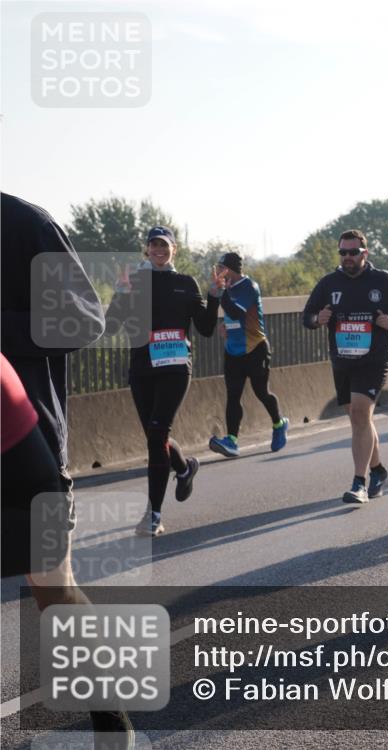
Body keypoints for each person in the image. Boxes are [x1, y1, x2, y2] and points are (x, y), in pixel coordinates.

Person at [1, 193, 134, 746]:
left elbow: (84, 319)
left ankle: (112, 721)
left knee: (52, 589)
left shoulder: (22, 222)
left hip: (26, 445)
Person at [105, 226, 222, 536]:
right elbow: (113, 325)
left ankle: (153, 515)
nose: (158, 250)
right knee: (155, 438)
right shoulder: (136, 282)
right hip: (142, 368)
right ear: (147, 250)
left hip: (175, 367)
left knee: (158, 434)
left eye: (164, 245)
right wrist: (120, 293)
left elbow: (207, 328)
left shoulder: (185, 283)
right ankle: (184, 468)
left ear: (174, 250)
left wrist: (214, 296)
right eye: (153, 245)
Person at [302, 229, 388, 504]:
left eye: (353, 252)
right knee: (358, 417)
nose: (347, 257)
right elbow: (306, 316)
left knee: (362, 412)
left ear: (365, 253)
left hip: (375, 359)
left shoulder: (383, 280)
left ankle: (359, 483)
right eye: (343, 252)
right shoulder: (329, 283)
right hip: (343, 359)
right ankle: (378, 471)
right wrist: (319, 318)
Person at [208, 251, 289, 457]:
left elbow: (236, 311)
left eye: (221, 268)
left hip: (255, 348)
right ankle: (232, 440)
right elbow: (231, 316)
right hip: (233, 350)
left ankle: (279, 424)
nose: (217, 271)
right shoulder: (228, 288)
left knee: (261, 391)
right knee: (233, 395)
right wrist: (226, 327)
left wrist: (223, 292)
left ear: (230, 270)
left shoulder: (249, 287)